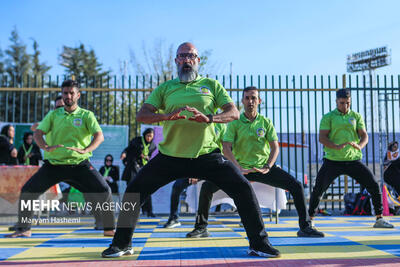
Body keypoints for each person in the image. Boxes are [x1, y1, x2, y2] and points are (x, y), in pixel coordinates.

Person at [101, 42, 280, 258]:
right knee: (133, 192)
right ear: (176, 61)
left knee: (243, 188)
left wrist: (209, 118)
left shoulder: (211, 85)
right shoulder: (166, 88)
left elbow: (232, 112)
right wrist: (166, 116)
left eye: (191, 56)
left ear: (198, 60)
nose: (187, 60)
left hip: (207, 155)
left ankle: (259, 244)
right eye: (182, 56)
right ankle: (122, 244)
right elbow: (142, 115)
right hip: (170, 156)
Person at [186, 87, 324, 238]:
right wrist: (237, 168)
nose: (250, 101)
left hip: (261, 169)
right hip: (239, 171)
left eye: (253, 98)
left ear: (259, 101)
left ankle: (305, 227)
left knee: (296, 186)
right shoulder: (235, 123)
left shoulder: (265, 122)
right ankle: (201, 228)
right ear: (242, 101)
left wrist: (268, 167)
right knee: (207, 187)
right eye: (247, 98)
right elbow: (226, 148)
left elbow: (275, 148)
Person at [5, 79, 116, 238]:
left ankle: (109, 229)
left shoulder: (86, 115)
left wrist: (86, 149)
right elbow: (38, 133)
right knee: (28, 191)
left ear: (78, 95)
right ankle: (24, 229)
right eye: (65, 93)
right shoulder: (53, 115)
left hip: (79, 165)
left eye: (72, 93)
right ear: (62, 95)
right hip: (54, 166)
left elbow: (99, 136)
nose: (68, 96)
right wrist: (45, 147)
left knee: (103, 189)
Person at [308, 88, 393, 228]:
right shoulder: (328, 117)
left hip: (353, 160)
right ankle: (309, 219)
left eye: (348, 103)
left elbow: (364, 136)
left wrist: (360, 145)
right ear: (336, 101)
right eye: (342, 103)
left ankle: (379, 218)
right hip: (332, 161)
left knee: (373, 184)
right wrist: (335, 146)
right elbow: (322, 138)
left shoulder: (356, 116)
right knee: (318, 189)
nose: (345, 106)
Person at [163, 123, 226, 229]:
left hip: (214, 164)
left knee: (237, 187)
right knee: (177, 186)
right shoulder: (196, 122)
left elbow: (225, 148)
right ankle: (173, 218)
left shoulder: (221, 126)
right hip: (196, 163)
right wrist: (194, 171)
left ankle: (245, 218)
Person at [120, 128, 157, 217]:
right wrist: (124, 153)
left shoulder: (153, 146)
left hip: (143, 168)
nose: (149, 138)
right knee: (132, 189)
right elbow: (128, 149)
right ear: (144, 135)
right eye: (147, 136)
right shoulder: (137, 140)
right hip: (133, 167)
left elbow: (149, 156)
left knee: (147, 189)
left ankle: (148, 211)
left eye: (151, 136)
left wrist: (146, 157)